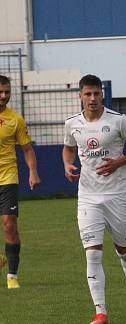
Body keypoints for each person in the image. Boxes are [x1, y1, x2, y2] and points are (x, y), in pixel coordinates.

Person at [62, 74, 126, 324]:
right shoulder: (72, 124)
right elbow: (68, 147)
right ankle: (101, 311)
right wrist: (67, 165)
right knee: (92, 254)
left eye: (96, 94)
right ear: (80, 95)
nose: (92, 98)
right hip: (88, 196)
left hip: (117, 193)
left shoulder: (118, 121)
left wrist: (121, 161)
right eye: (87, 94)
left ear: (102, 95)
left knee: (123, 250)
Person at [0, 75, 41, 288]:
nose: (4, 96)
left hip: (8, 178)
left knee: (9, 224)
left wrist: (32, 172)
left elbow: (27, 149)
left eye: (7, 91)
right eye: (0, 92)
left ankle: (12, 276)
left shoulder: (15, 119)